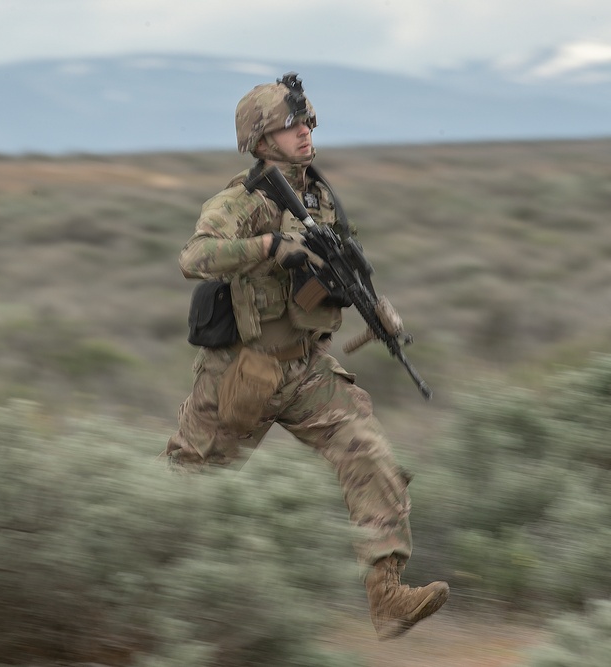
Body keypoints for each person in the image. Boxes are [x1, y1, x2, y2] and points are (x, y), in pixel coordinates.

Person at [163, 72, 449, 640]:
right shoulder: (242, 201)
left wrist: (377, 309)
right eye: (292, 124)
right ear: (261, 137)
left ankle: (388, 599)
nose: (306, 131)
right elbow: (194, 257)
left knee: (371, 457)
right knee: (185, 491)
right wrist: (269, 248)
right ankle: (143, 593)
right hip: (243, 371)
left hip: (307, 369)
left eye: (309, 121)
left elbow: (339, 270)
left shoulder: (317, 197)